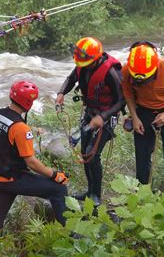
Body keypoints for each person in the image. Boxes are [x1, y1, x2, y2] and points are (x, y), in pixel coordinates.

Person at [0, 81, 68, 232]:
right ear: (28, 103)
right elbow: (31, 163)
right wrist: (55, 174)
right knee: (58, 190)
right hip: (12, 180)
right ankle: (71, 233)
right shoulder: (21, 128)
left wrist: (29, 132)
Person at [55, 37, 125, 206]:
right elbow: (71, 79)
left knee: (92, 155)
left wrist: (103, 117)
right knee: (85, 154)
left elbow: (122, 100)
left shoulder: (111, 72)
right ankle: (90, 191)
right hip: (90, 113)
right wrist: (61, 93)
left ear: (96, 58)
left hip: (107, 117)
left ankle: (96, 195)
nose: (83, 66)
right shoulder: (83, 63)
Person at [121, 41, 164, 189]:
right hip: (143, 111)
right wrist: (134, 117)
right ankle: (143, 192)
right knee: (142, 155)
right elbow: (128, 94)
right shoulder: (127, 70)